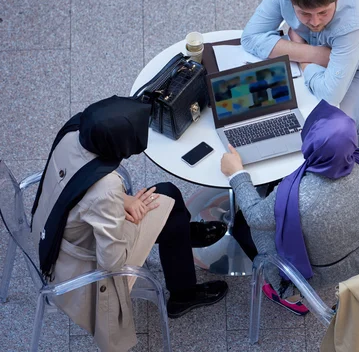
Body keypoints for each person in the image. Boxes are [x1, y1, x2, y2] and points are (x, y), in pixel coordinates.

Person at [31, 96, 228, 352]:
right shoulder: (106, 189)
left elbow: (78, 182)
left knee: (170, 201)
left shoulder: (73, 134)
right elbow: (112, 262)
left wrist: (123, 200)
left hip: (54, 231)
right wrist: (123, 208)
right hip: (82, 263)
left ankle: (182, 237)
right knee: (167, 200)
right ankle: (183, 295)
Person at [220, 100, 359, 315]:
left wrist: (236, 174)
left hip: (316, 275)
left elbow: (256, 217)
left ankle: (289, 292)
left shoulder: (292, 195)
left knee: (253, 225)